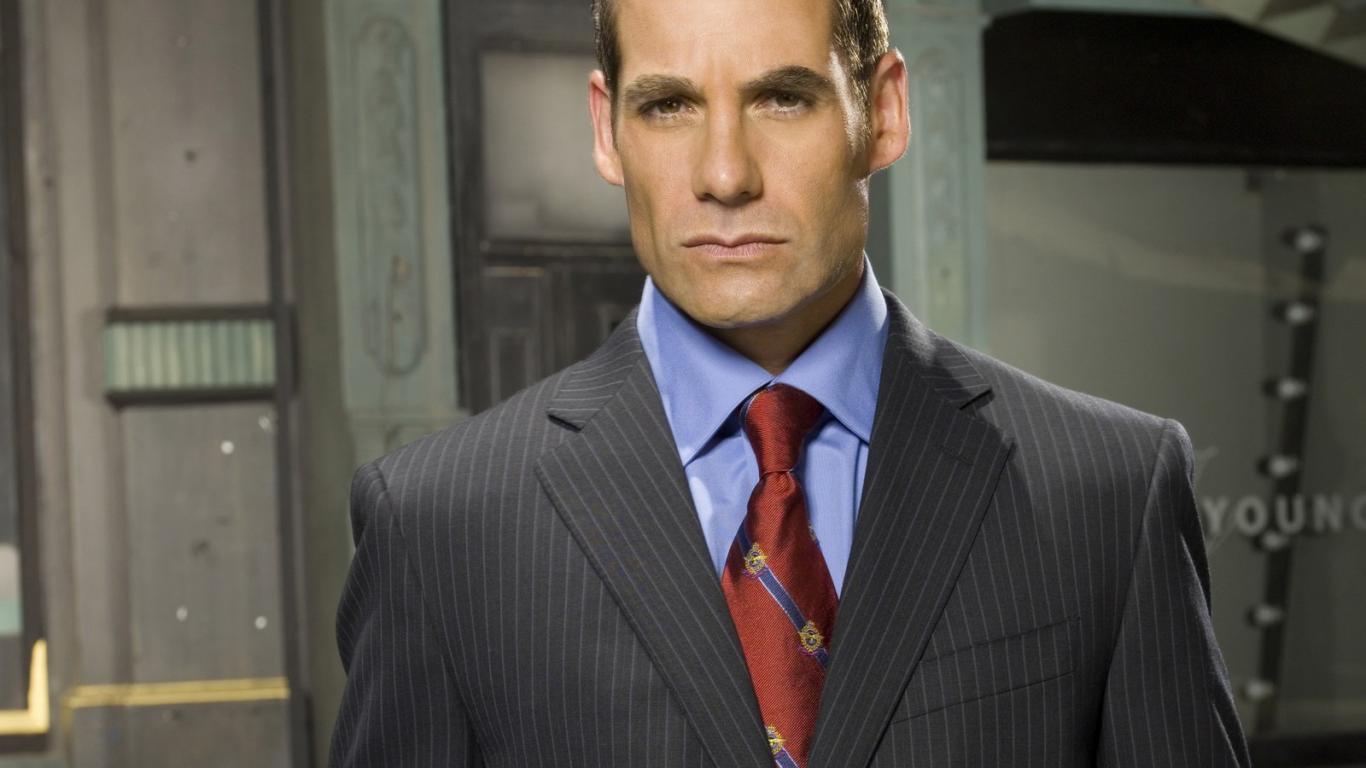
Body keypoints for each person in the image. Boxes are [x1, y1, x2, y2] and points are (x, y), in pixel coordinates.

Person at [328, 0, 1250, 764]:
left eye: (781, 98)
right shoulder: (440, 530)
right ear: (606, 131)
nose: (724, 174)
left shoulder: (1107, 492)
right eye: (669, 106)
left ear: (882, 112)